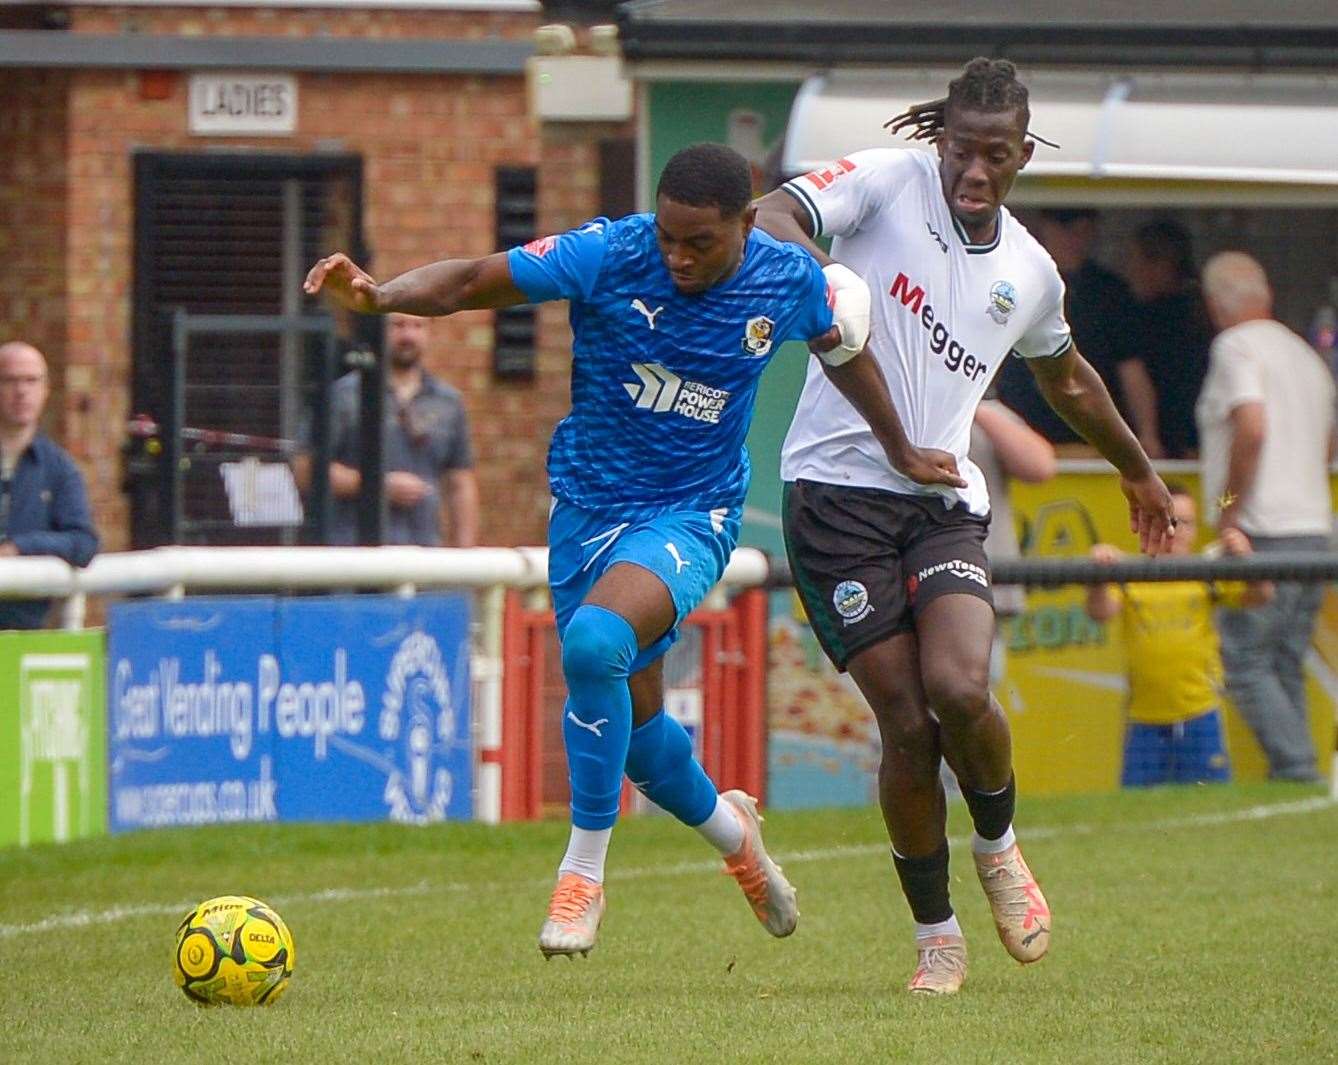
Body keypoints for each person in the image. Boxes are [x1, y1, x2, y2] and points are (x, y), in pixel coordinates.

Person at [305, 143, 962, 959]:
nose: (678, 257)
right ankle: (736, 838)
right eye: (669, 237)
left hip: (692, 513)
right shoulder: (611, 252)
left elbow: (844, 350)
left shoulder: (787, 280)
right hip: (587, 509)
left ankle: (582, 871)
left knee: (592, 643)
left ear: (747, 225)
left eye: (701, 243)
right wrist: (379, 295)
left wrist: (898, 447)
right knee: (642, 738)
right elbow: (477, 278)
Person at [755, 56, 1175, 994]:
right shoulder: (883, 181)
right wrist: (823, 277)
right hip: (832, 498)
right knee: (905, 722)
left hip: (940, 501)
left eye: (993, 156)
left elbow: (1067, 376)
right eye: (959, 149)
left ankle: (998, 842)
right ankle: (936, 934)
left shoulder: (1027, 269)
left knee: (960, 688)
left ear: (1022, 154)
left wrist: (1138, 470)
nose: (972, 172)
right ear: (937, 138)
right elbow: (772, 215)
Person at [1196, 251, 1334, 782]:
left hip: (1262, 532)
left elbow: (1250, 427)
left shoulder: (1235, 346)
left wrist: (1229, 510)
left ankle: (1297, 769)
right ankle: (1299, 780)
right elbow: (1325, 447)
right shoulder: (1305, 354)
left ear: (1214, 305)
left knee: (1247, 659)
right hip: (1314, 531)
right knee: (1285, 660)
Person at [1086, 486, 1272, 786]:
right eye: (1170, 521)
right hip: (1144, 719)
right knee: (1139, 810)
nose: (1178, 532)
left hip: (1200, 715)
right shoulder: (1132, 574)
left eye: (1187, 523)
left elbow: (1260, 595)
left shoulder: (1205, 574)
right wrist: (1098, 574)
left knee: (1211, 805)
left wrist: (1245, 558)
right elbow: (1100, 611)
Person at [297, 313, 480, 547]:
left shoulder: (448, 402)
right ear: (378, 330)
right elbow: (305, 470)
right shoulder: (342, 396)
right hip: (355, 557)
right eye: (398, 325)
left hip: (426, 559)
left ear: (429, 332)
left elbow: (460, 484)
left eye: (418, 325)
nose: (408, 335)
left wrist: (464, 562)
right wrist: (377, 485)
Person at [993, 208, 1137, 444]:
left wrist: (1146, 434)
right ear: (1045, 229)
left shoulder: (1110, 291)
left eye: (1083, 231)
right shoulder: (1012, 281)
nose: (1074, 240)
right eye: (1065, 229)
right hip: (1018, 423)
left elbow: (1130, 364)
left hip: (1087, 426)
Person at [0, 341, 99, 629]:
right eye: (10, 381)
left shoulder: (58, 469)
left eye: (31, 381)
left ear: (45, 391)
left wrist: (19, 547)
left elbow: (83, 543)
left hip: (23, 631)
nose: (22, 392)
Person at [1121, 219, 1213, 459]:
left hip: (1176, 439)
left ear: (1161, 264)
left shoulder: (1155, 318)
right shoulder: (1201, 312)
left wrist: (1149, 435)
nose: (1131, 271)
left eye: (1136, 261)